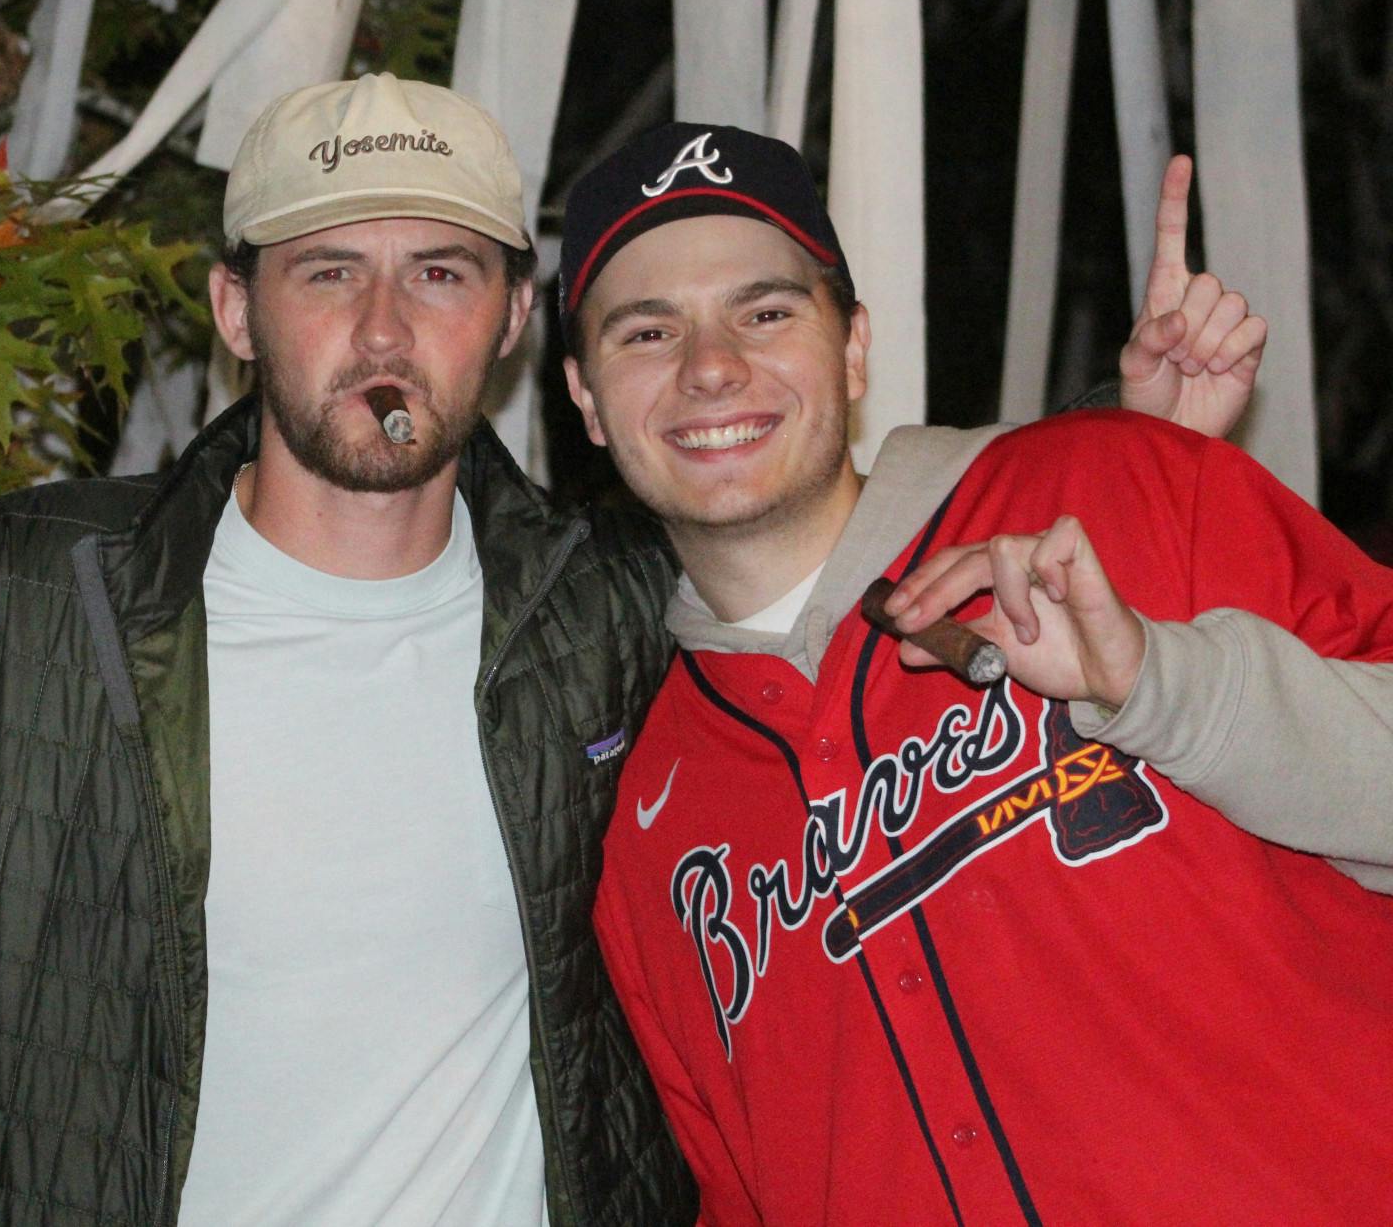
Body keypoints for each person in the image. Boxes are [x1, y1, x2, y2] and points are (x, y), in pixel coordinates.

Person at [0, 79, 1252, 1224]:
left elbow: (828, 551)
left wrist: (1127, 441)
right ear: (232, 307)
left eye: (440, 269)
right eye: (323, 267)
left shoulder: (612, 611)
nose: (384, 318)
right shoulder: (35, 591)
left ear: (515, 325)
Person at [559, 122, 1393, 1224]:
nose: (710, 368)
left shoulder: (1111, 482)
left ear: (852, 347)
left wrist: (1160, 683)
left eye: (764, 313)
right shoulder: (649, 837)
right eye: (646, 331)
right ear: (580, 397)